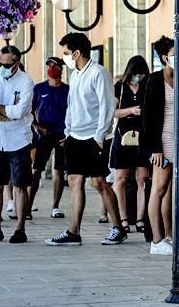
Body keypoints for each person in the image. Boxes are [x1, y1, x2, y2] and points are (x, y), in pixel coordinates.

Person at [45, 33, 126, 246]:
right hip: (75, 136)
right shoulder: (76, 75)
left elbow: (107, 106)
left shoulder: (99, 73)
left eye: (66, 53)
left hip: (94, 137)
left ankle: (118, 227)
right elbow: (72, 105)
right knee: (74, 181)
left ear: (77, 52)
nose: (64, 58)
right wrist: (68, 131)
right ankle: (73, 232)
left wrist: (100, 136)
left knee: (99, 182)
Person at [0, 46, 35, 244]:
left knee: (20, 185)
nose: (2, 67)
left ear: (16, 64)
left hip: (19, 140)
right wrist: (1, 114)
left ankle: (20, 228)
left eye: (6, 64)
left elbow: (19, 112)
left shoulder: (26, 82)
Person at [142, 37, 177, 255]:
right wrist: (155, 148)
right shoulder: (155, 81)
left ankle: (170, 236)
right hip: (162, 140)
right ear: (165, 58)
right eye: (175, 54)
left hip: (178, 141)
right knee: (158, 188)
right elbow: (148, 117)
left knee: (170, 191)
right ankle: (156, 240)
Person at [110, 55, 151, 234]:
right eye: (136, 74)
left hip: (143, 137)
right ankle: (123, 219)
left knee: (142, 178)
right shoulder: (119, 87)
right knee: (121, 179)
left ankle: (140, 219)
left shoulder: (147, 86)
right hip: (123, 135)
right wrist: (131, 111)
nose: (138, 77)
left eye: (142, 74)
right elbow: (112, 111)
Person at [29, 58, 69, 219]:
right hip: (44, 134)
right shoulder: (39, 89)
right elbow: (29, 111)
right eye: (49, 66)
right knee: (37, 170)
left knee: (59, 171)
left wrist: (69, 133)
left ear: (61, 70)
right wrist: (37, 126)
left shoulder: (67, 90)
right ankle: (28, 206)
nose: (52, 69)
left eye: (55, 66)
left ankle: (55, 206)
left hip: (62, 135)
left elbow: (74, 111)